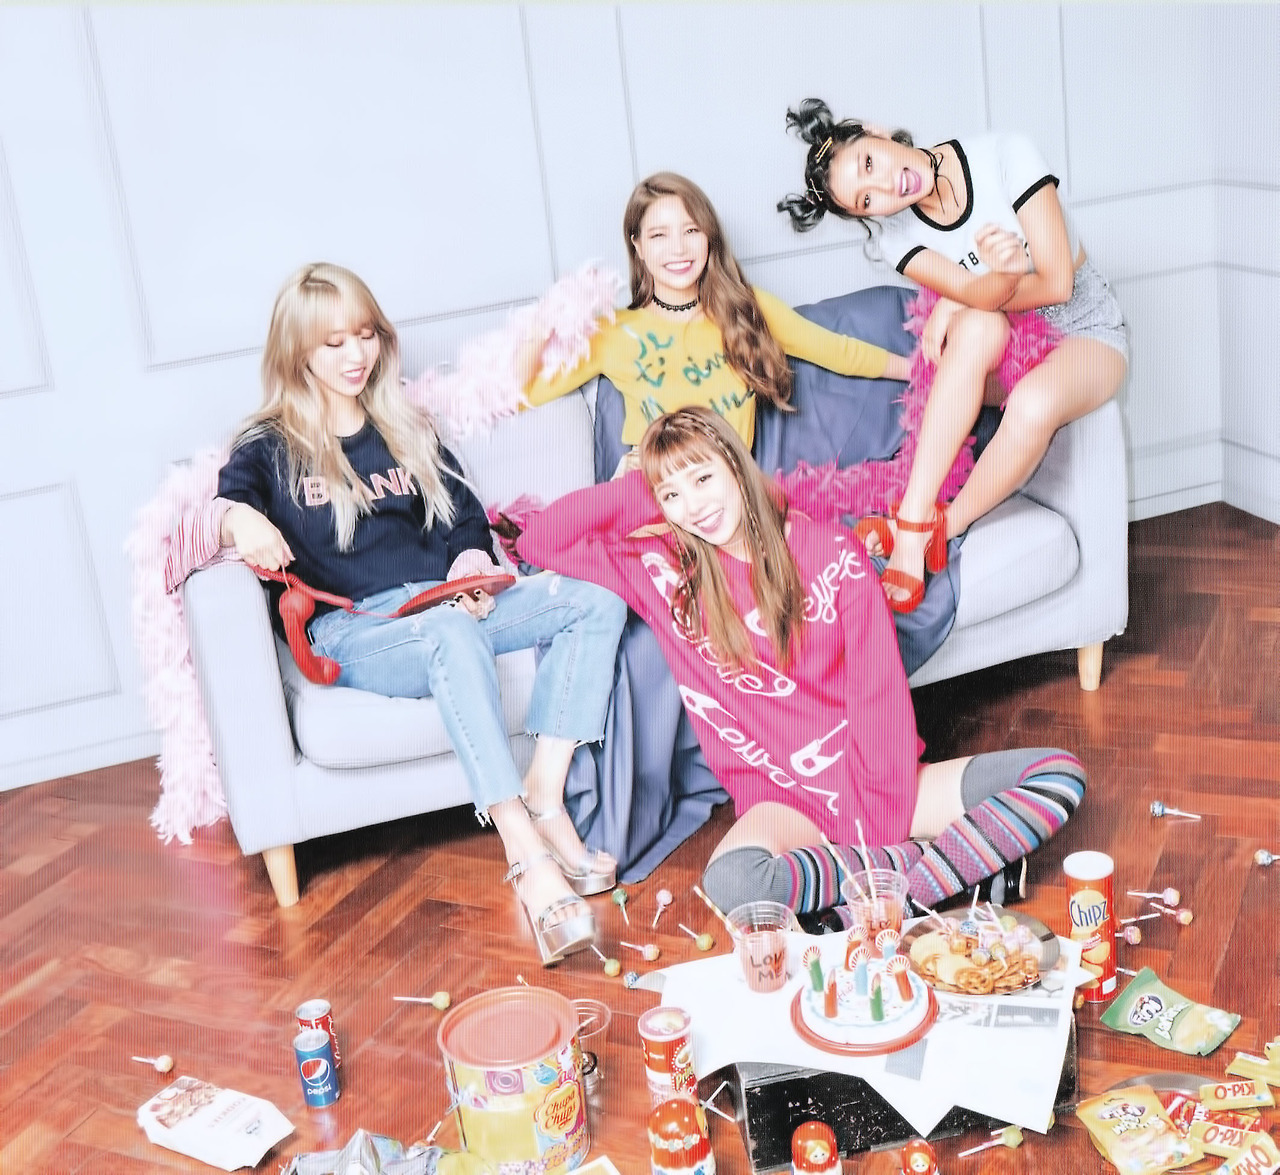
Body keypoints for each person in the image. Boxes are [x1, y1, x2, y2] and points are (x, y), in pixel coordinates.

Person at [502, 406, 1086, 919]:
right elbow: (542, 540)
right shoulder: (664, 571)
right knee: (734, 883)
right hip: (783, 800)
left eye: (704, 478)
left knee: (1057, 776)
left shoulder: (832, 556)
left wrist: (872, 839)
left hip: (875, 783)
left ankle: (882, 888)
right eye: (672, 496)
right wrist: (650, 485)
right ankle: (941, 873)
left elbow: (879, 703)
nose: (694, 506)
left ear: (737, 466)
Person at [216, 263, 627, 964]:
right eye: (333, 343)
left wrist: (469, 567)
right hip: (357, 629)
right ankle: (525, 852)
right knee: (447, 630)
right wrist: (238, 517)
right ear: (297, 353)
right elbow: (213, 511)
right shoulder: (269, 445)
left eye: (365, 335)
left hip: (444, 604)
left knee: (594, 599)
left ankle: (545, 794)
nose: (356, 355)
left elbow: (465, 518)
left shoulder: (403, 424)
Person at [779, 99, 1128, 613]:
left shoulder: (1004, 156)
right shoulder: (894, 239)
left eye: (870, 163)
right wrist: (987, 284)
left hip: (1084, 328)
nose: (885, 188)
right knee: (980, 326)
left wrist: (970, 295)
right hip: (1005, 343)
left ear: (876, 132)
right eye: (866, 200)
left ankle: (936, 530)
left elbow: (1057, 282)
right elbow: (979, 297)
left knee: (1031, 399)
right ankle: (914, 518)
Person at [517, 171, 913, 472]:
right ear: (637, 245)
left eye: (691, 230)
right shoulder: (612, 331)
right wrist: (544, 322)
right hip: (649, 494)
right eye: (659, 235)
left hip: (728, 494)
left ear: (709, 237)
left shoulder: (746, 308)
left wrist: (922, 370)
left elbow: (839, 352)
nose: (678, 248)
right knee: (554, 535)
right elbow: (525, 394)